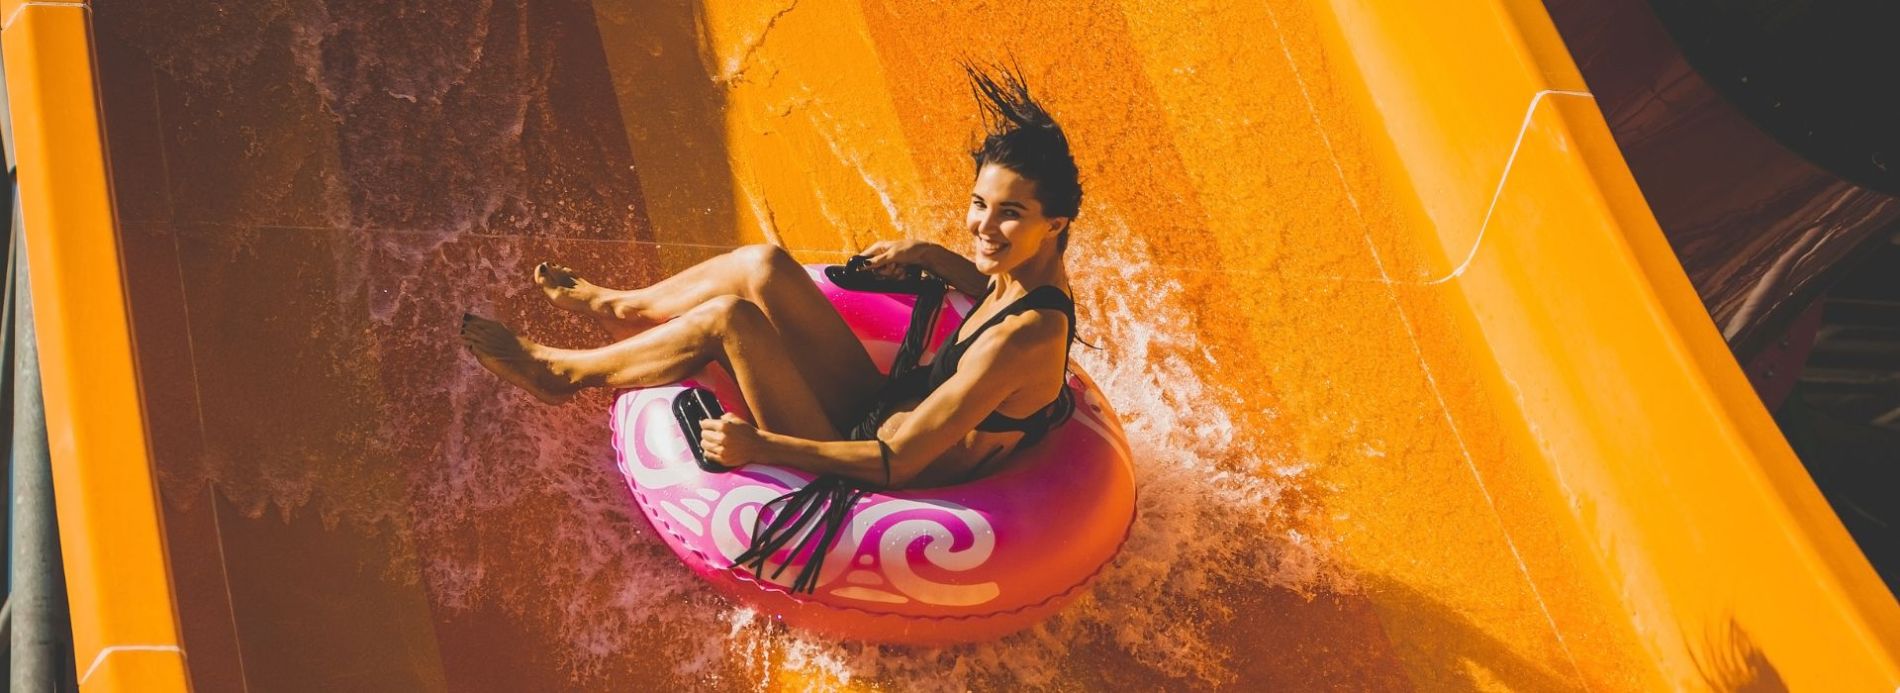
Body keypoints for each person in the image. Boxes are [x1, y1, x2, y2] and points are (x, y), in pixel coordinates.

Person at [461, 64, 1082, 489]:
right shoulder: (1027, 276)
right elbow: (989, 294)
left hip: (875, 468)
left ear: (1055, 224)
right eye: (979, 203)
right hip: (883, 409)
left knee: (730, 321)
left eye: (1010, 213)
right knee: (761, 264)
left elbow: (894, 461)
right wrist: (930, 256)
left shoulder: (1023, 338)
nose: (983, 226)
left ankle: (559, 374)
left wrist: (761, 447)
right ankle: (621, 307)